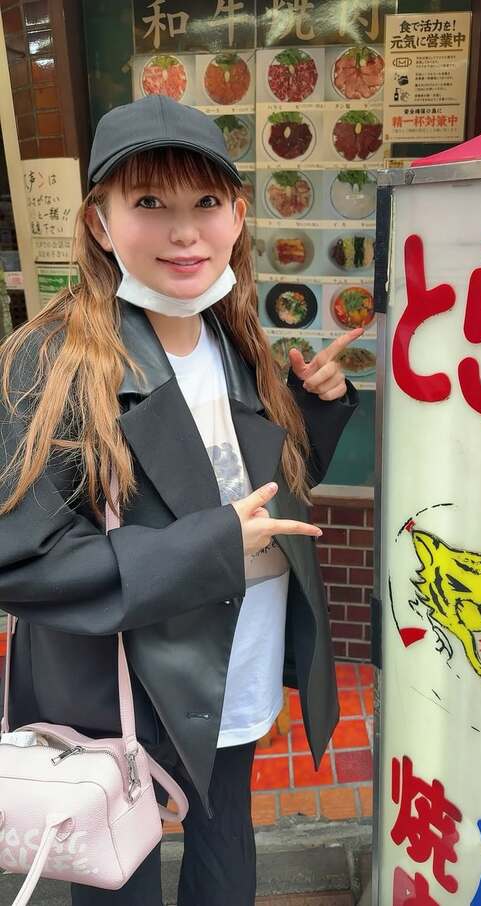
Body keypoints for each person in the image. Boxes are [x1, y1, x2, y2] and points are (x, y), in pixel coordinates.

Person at [0, 95, 360, 905]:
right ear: (100, 223)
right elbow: (20, 559)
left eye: (205, 202)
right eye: (149, 204)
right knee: (115, 873)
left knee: (226, 851)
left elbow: (253, 492)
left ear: (238, 216)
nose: (184, 232)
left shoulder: (236, 338)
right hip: (125, 686)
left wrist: (317, 410)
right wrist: (210, 547)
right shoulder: (48, 361)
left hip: (239, 663)